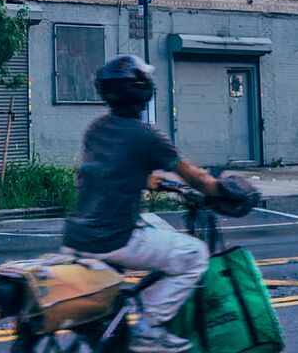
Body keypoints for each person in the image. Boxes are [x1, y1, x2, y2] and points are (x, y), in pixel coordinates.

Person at [63, 55, 218, 353]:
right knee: (194, 254)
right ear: (141, 90)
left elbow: (115, 171)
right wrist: (223, 189)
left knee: (155, 226)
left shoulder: (97, 129)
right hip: (114, 237)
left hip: (76, 235)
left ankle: (116, 323)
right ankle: (150, 326)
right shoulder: (146, 136)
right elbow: (196, 177)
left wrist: (162, 184)